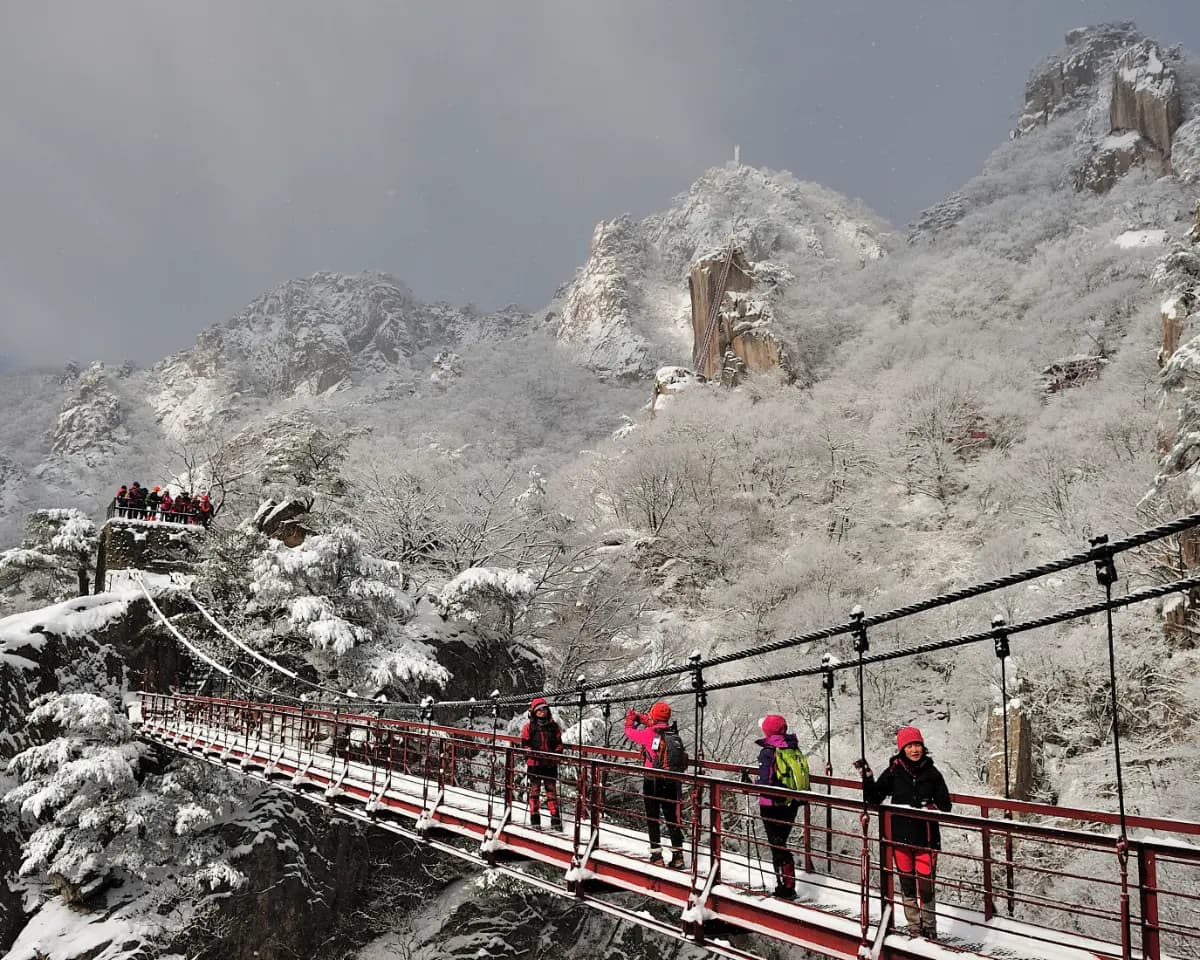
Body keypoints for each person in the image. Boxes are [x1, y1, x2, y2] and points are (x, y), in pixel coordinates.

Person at [856, 726, 952, 938]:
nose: (914, 750)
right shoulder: (894, 772)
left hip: (926, 840)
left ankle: (930, 929)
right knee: (907, 886)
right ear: (902, 749)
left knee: (926, 888)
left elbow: (946, 805)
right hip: (900, 839)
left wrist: (929, 807)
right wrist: (867, 777)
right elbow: (874, 798)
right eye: (909, 746)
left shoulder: (933, 773)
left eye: (917, 745)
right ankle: (914, 928)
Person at [625, 701, 685, 868]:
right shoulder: (672, 731)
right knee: (671, 818)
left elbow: (629, 732)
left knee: (653, 818)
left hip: (653, 781)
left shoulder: (649, 734)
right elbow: (654, 722)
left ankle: (656, 856)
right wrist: (643, 718)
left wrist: (631, 719)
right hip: (671, 781)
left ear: (653, 715)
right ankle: (678, 856)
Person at [755, 714, 809, 899]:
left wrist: (753, 784)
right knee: (781, 842)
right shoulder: (793, 747)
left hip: (772, 803)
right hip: (791, 803)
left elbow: (765, 781)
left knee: (776, 844)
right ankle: (787, 884)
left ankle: (785, 887)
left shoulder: (769, 750)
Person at [521, 697, 563, 829]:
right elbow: (525, 745)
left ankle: (555, 820)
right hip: (535, 764)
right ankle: (535, 819)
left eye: (544, 709)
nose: (542, 712)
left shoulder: (553, 726)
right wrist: (533, 755)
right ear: (534, 712)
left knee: (551, 792)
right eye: (539, 710)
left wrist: (556, 754)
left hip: (550, 764)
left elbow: (558, 744)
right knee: (535, 792)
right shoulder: (529, 727)